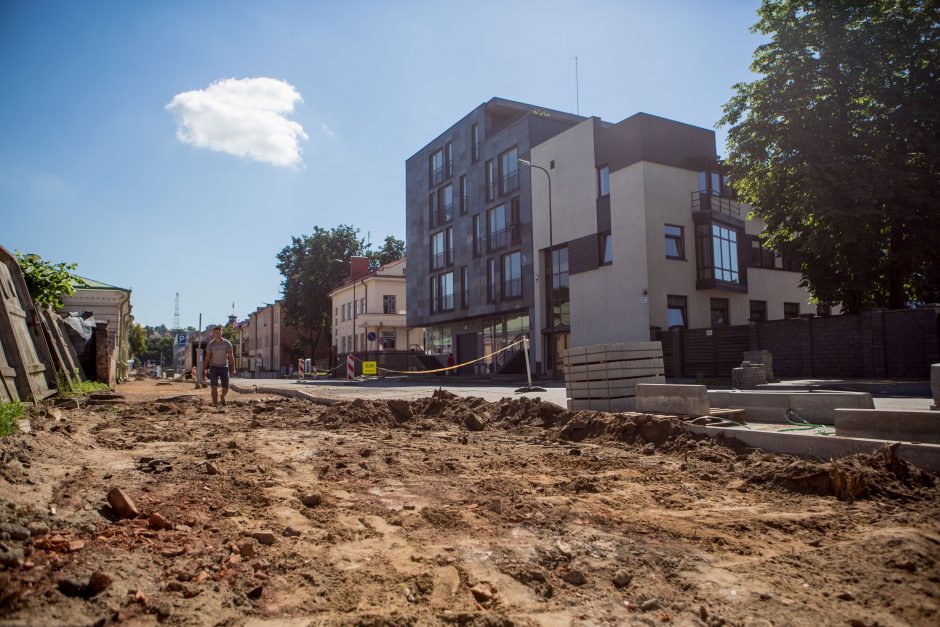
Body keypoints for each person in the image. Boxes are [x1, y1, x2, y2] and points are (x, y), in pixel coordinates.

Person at [203, 325, 236, 406]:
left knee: (226, 388)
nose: (218, 334)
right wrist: (203, 369)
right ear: (213, 333)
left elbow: (231, 356)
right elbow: (207, 358)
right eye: (216, 333)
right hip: (213, 367)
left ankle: (222, 396)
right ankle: (215, 404)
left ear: (222, 332)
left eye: (219, 332)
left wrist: (233, 368)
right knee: (214, 387)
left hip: (224, 367)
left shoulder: (227, 343)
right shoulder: (210, 345)